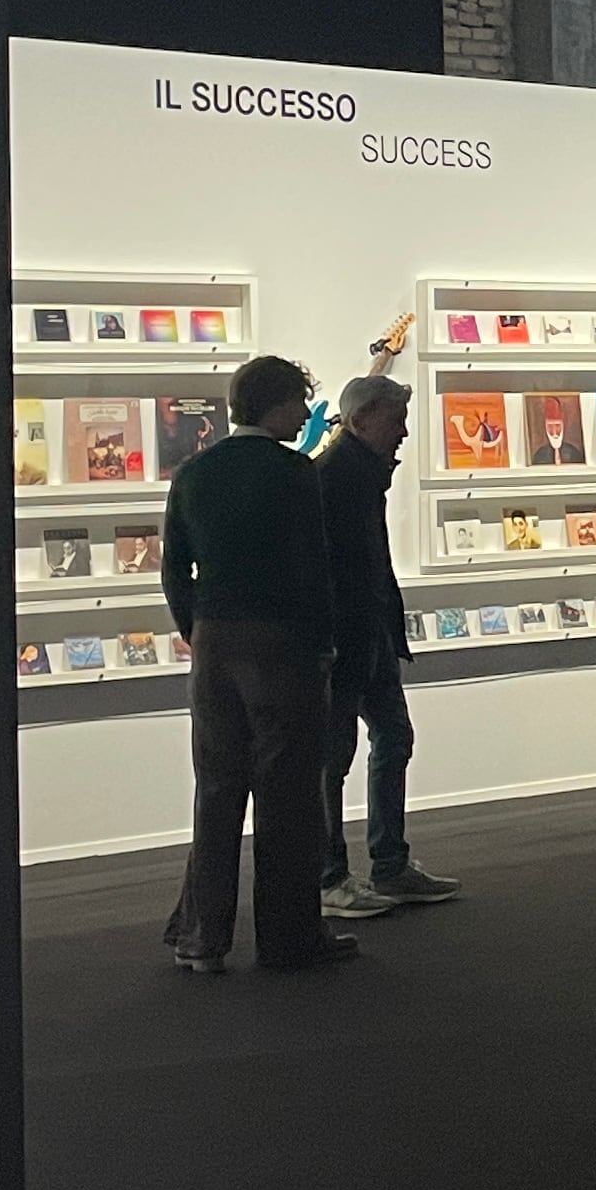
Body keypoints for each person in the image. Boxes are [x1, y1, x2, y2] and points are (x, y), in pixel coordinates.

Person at [162, 353, 351, 974]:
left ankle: (202, 939)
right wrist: (324, 643)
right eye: (299, 401)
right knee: (288, 793)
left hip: (214, 641)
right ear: (277, 403)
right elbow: (313, 567)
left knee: (216, 788)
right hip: (281, 642)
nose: (303, 414)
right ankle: (289, 937)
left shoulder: (192, 472)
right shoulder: (294, 474)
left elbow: (174, 570)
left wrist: (199, 628)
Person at [314, 373, 456, 915]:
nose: (403, 432)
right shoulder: (335, 478)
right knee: (337, 757)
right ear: (360, 421)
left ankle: (388, 866)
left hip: (366, 628)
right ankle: (332, 877)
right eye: (394, 420)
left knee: (390, 737)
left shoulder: (359, 473)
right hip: (345, 636)